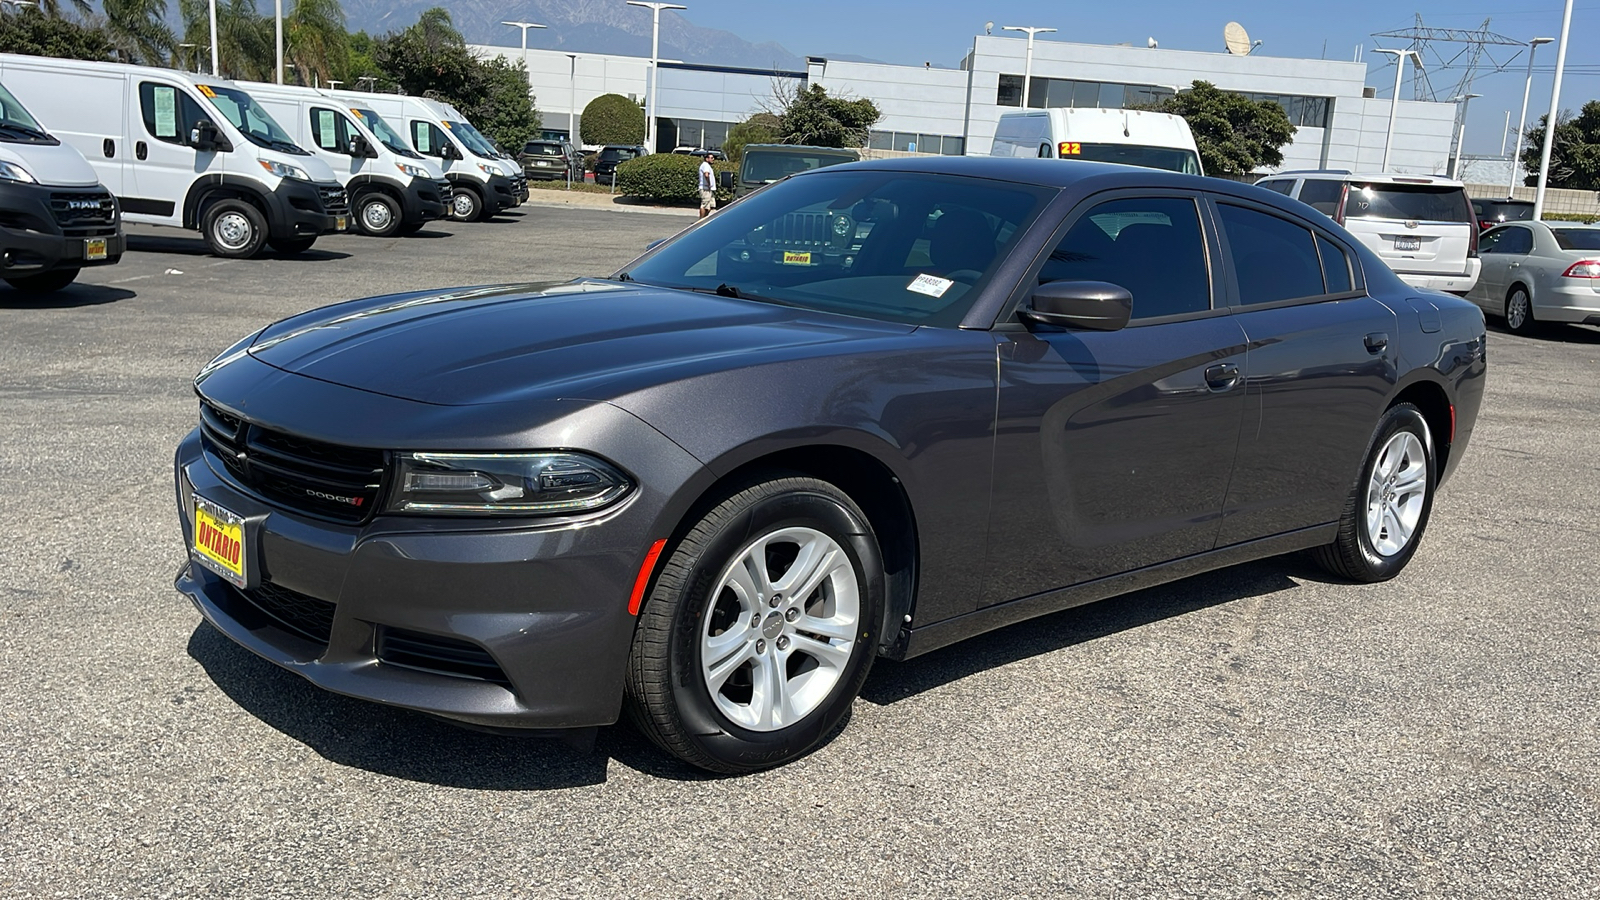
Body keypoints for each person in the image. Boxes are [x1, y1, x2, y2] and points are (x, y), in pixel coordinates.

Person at [698, 152, 717, 218]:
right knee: (704, 205)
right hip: (705, 188)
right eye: (711, 158)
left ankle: (704, 219)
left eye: (713, 158)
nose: (713, 159)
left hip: (709, 189)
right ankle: (700, 221)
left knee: (710, 207)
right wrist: (709, 184)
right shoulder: (705, 165)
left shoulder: (707, 166)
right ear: (706, 159)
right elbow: (706, 175)